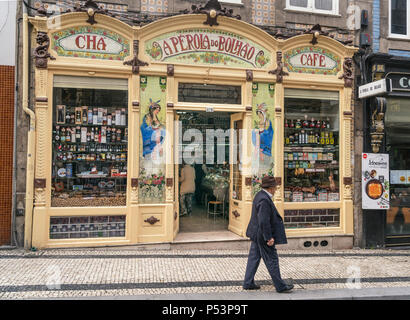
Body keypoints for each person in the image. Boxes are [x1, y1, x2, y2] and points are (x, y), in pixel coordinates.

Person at [243, 175, 294, 293]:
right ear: (271, 188)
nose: (276, 189)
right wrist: (268, 237)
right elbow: (263, 220)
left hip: (256, 234)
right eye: (275, 187)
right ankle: (280, 286)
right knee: (272, 259)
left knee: (254, 258)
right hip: (262, 235)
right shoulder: (264, 199)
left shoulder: (260, 195)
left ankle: (248, 282)